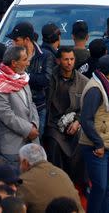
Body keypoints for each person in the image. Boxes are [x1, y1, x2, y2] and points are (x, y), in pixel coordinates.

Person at [79, 55, 109, 213]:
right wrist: (98, 144)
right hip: (96, 147)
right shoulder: (95, 89)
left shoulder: (105, 85)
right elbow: (86, 120)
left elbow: (108, 117)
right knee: (100, 188)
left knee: (108, 189)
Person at [0, 45, 40, 163]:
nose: (28, 63)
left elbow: (31, 104)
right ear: (14, 63)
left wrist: (34, 125)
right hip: (12, 145)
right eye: (24, 60)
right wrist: (28, 130)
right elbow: (6, 115)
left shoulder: (22, 78)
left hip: (31, 141)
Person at [44, 46, 88, 182]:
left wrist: (77, 121)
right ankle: (58, 181)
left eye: (72, 59)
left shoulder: (83, 81)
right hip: (53, 123)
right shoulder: (49, 78)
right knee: (53, 144)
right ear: (58, 61)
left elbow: (87, 107)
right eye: (66, 59)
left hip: (74, 121)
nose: (69, 63)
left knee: (82, 141)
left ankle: (82, 182)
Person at [16, 144, 82, 213]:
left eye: (19, 162)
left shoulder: (23, 180)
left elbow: (17, 208)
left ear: (25, 162)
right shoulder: (61, 172)